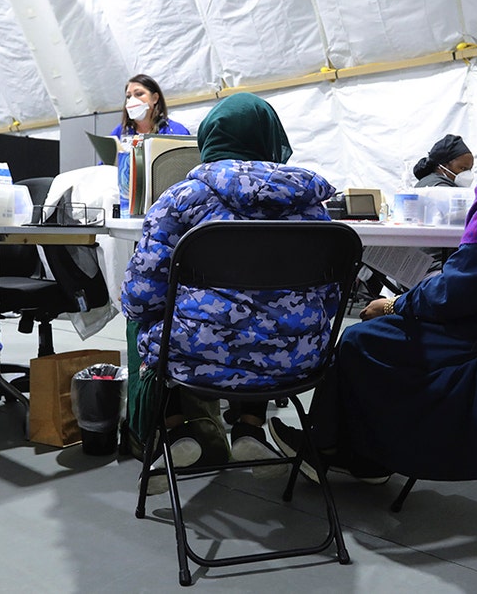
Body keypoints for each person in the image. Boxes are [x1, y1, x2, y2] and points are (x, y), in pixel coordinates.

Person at [269, 67, 477, 484]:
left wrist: (397, 302)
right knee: (392, 333)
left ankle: (331, 449)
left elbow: (459, 291)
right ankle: (370, 453)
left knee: (362, 339)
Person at [121, 92, 335, 492]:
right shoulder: (311, 207)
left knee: (142, 320)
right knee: (267, 318)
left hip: (198, 360)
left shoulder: (180, 200)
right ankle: (250, 429)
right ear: (271, 137)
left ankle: (176, 431)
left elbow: (141, 295)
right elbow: (331, 296)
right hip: (297, 361)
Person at [110, 74, 190, 139]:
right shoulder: (120, 133)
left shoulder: (175, 132)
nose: (132, 100)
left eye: (139, 94)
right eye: (128, 96)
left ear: (155, 98)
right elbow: (107, 158)